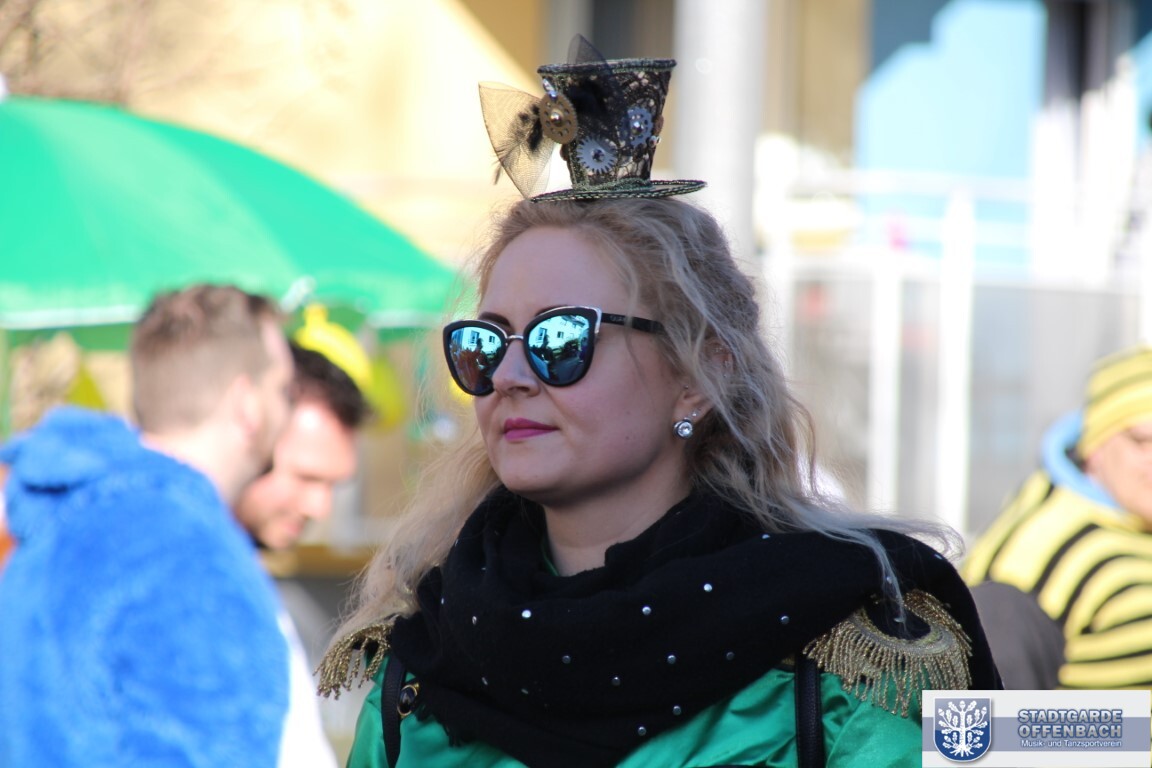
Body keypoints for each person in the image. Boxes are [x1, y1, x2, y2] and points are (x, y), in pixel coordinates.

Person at [316, 38, 999, 768]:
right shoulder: (423, 654)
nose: (510, 374)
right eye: (486, 342)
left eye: (560, 338)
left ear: (699, 376)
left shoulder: (859, 648)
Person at [0, 284, 294, 768]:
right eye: (284, 390)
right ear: (248, 405)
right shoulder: (193, 557)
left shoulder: (51, 516)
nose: (288, 411)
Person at [964, 345, 1152, 690]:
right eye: (1143, 441)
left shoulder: (1137, 519)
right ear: (1095, 448)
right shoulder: (1031, 557)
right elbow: (986, 718)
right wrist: (1127, 722)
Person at [235, 304, 374, 768]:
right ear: (251, 432)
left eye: (333, 485)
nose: (320, 507)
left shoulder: (236, 576)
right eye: (307, 476)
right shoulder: (177, 577)